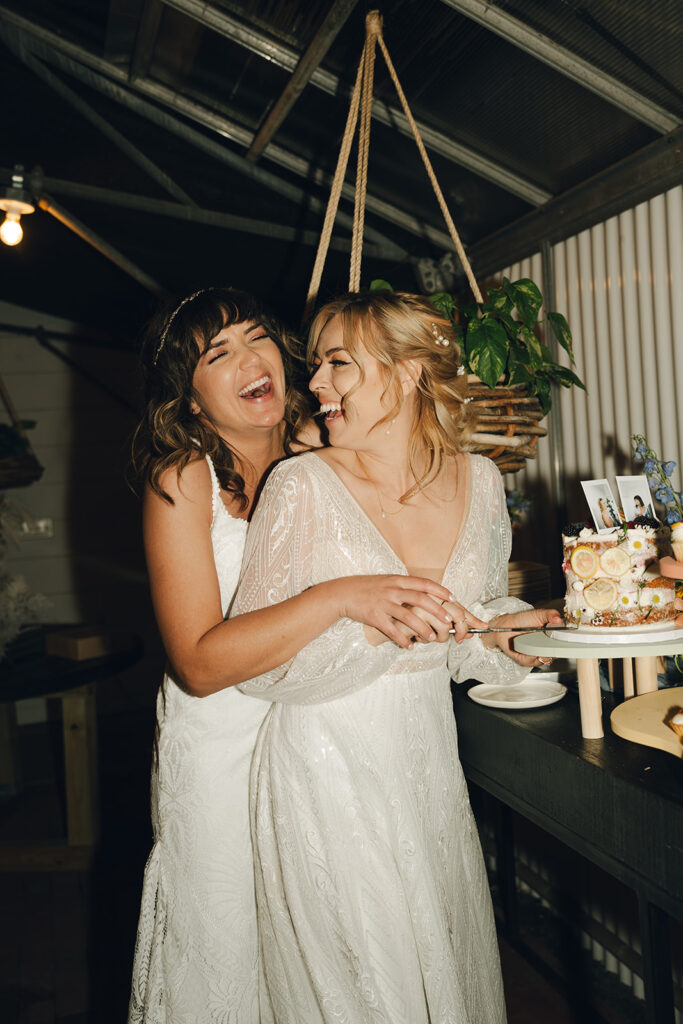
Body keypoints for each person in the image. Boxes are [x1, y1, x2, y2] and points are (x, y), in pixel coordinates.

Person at [127, 287, 468, 1024]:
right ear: (187, 399)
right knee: (230, 940)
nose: (255, 360)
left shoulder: (324, 451)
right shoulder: (183, 481)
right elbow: (198, 663)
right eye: (220, 355)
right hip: (224, 746)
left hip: (320, 741)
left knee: (331, 958)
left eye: (258, 340)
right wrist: (342, 596)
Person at [231, 290, 562, 1023]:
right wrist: (374, 627)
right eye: (315, 365)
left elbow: (465, 632)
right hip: (322, 766)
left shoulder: (479, 480)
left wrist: (513, 634)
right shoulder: (301, 485)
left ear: (409, 373)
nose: (314, 384)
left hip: (427, 771)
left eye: (337, 364)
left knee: (434, 973)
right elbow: (255, 665)